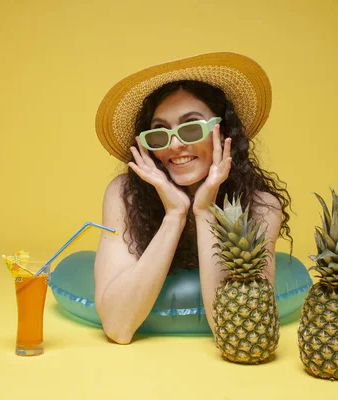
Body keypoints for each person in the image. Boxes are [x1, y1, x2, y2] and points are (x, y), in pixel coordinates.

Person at [92, 52, 292, 344]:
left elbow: (233, 332)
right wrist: (175, 215)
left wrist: (205, 211)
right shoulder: (124, 195)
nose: (174, 145)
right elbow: (117, 326)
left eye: (192, 128)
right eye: (159, 134)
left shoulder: (262, 208)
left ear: (223, 131)